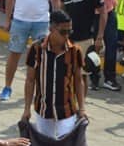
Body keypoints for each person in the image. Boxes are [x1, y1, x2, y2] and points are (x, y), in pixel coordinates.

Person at [0, 0, 62, 101]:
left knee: (42, 57)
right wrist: (7, 20)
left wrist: (57, 25)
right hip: (20, 21)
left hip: (42, 22)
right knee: (14, 54)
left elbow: (55, 1)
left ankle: (41, 88)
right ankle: (7, 87)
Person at [21, 10, 85, 139]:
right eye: (63, 32)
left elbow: (78, 81)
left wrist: (82, 108)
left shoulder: (75, 51)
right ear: (51, 28)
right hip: (43, 110)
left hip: (67, 110)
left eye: (69, 32)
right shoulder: (36, 49)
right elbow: (30, 80)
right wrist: (27, 109)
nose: (66, 36)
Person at [60, 0, 106, 94]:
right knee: (66, 74)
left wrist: (99, 37)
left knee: (82, 75)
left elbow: (103, 13)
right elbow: (60, 9)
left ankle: (81, 107)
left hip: (85, 38)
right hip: (68, 38)